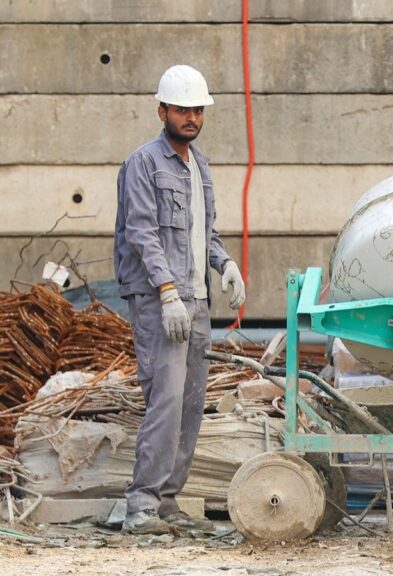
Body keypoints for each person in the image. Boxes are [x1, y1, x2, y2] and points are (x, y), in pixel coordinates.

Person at [114, 65, 246, 534]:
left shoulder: (199, 166)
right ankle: (141, 506)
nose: (191, 117)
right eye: (181, 109)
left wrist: (225, 264)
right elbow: (142, 232)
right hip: (159, 300)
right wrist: (168, 292)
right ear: (162, 111)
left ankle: (168, 501)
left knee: (191, 402)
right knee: (166, 399)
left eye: (197, 109)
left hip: (196, 297)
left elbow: (204, 232)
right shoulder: (143, 163)